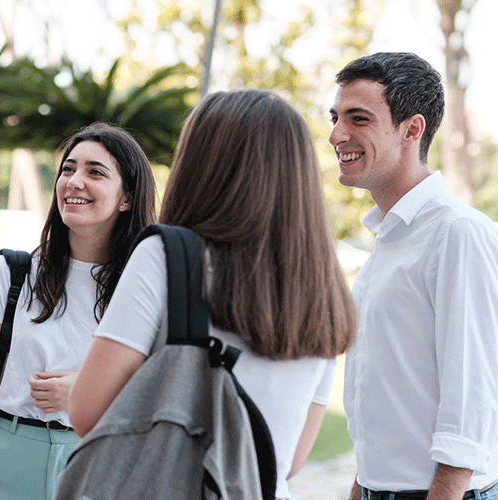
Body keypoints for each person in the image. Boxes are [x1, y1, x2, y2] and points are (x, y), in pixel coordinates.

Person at [69, 89, 357, 500]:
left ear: (202, 163)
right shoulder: (324, 290)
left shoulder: (167, 256)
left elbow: (87, 412)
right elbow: (288, 460)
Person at [329, 52, 498, 500]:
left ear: (412, 129)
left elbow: (469, 399)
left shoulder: (456, 232)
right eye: (335, 117)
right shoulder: (386, 241)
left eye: (359, 118)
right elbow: (384, 398)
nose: (336, 134)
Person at [0, 123, 156, 500]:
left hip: (96, 469)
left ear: (127, 198)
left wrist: (86, 394)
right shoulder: (9, 274)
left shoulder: (146, 291)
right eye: (68, 169)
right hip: (1, 467)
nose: (74, 181)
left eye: (95, 172)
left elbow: (159, 399)